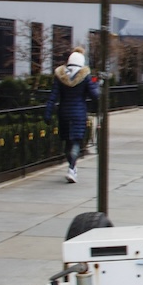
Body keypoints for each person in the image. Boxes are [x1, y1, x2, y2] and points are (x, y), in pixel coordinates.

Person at [45, 50, 99, 184]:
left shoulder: (60, 75)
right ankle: (72, 168)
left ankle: (72, 167)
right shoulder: (85, 76)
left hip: (64, 112)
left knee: (67, 141)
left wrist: (48, 112)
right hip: (79, 113)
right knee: (75, 141)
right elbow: (95, 95)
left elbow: (53, 96)